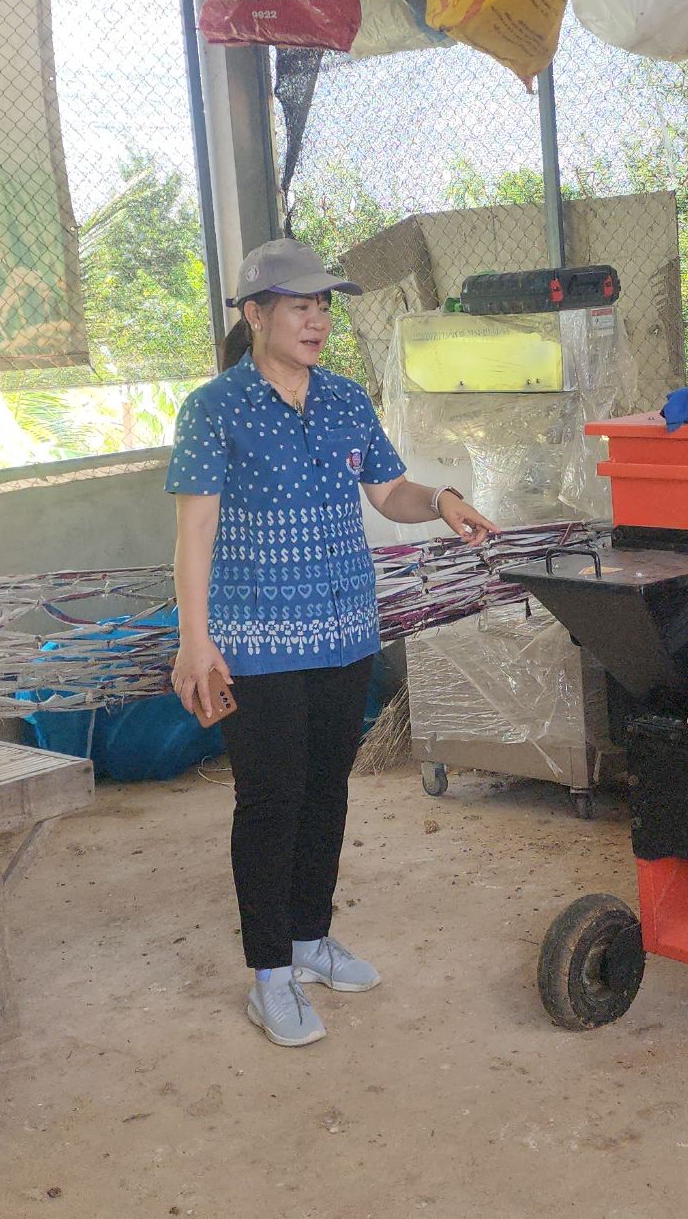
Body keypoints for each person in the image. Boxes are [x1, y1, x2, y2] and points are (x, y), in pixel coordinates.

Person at [168, 239, 496, 1047]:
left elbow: (388, 490)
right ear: (255, 315)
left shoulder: (347, 401)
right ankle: (269, 974)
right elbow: (195, 533)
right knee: (271, 800)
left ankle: (312, 939)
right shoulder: (215, 409)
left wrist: (444, 499)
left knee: (327, 791)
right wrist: (194, 641)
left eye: (325, 307)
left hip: (346, 629)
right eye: (301, 306)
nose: (318, 321)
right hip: (257, 639)